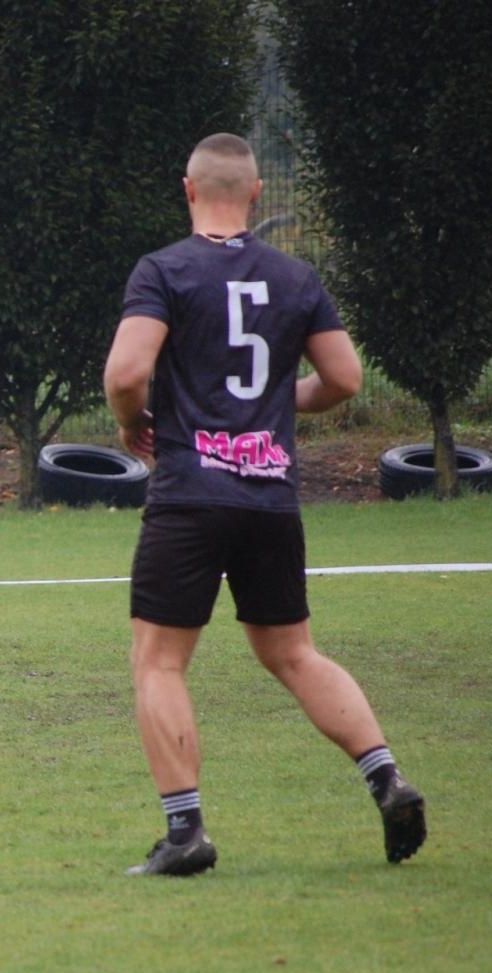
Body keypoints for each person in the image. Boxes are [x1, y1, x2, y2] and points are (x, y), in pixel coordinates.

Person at [102, 133, 426, 876]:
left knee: (159, 662)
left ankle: (186, 834)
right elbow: (345, 379)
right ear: (255, 195)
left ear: (189, 189)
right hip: (271, 498)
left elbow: (127, 372)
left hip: (189, 495)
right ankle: (387, 778)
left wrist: (130, 424)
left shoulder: (164, 270)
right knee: (293, 652)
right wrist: (280, 405)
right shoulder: (294, 276)